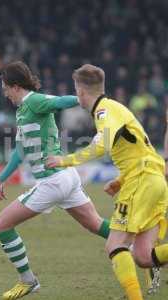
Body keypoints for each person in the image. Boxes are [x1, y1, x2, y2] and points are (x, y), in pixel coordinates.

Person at [46, 64, 168, 300]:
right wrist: (121, 180)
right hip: (153, 180)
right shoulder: (114, 107)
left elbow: (101, 145)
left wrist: (65, 160)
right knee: (143, 256)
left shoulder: (104, 111)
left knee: (114, 246)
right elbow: (142, 151)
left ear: (80, 92)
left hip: (142, 182)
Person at [0, 61, 111, 300]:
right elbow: (20, 152)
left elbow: (60, 102)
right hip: (65, 177)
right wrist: (1, 178)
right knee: (95, 224)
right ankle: (144, 252)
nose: (4, 93)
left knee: (2, 225)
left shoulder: (34, 101)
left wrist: (92, 100)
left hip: (53, 181)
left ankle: (28, 281)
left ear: (15, 87)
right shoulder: (22, 111)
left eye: (5, 88)